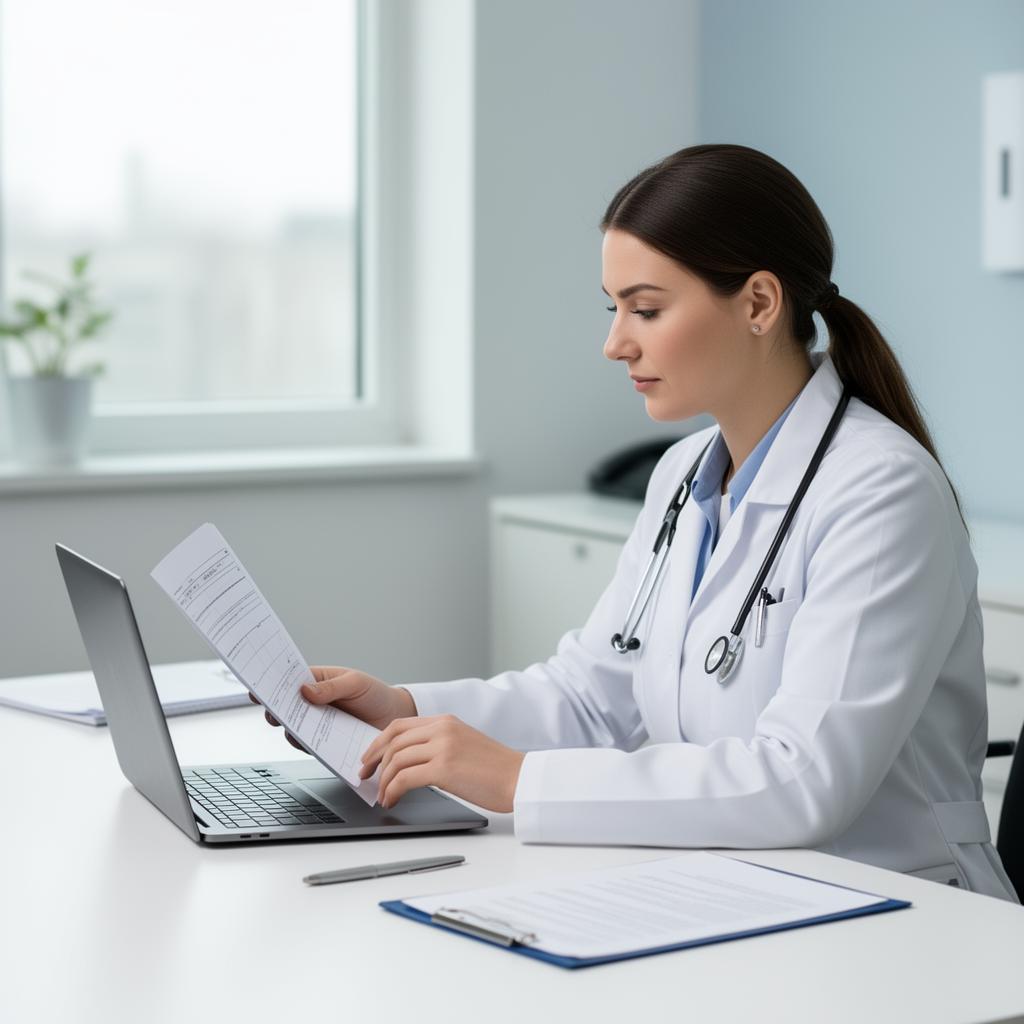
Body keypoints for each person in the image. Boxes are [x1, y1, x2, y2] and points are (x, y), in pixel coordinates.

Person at [254, 143, 1018, 903]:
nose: (616, 342)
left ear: (759, 303)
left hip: (901, 910)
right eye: (614, 308)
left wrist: (518, 780)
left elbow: (802, 780)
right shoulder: (684, 474)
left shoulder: (882, 494)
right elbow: (592, 694)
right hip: (740, 886)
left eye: (646, 309)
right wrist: (408, 712)